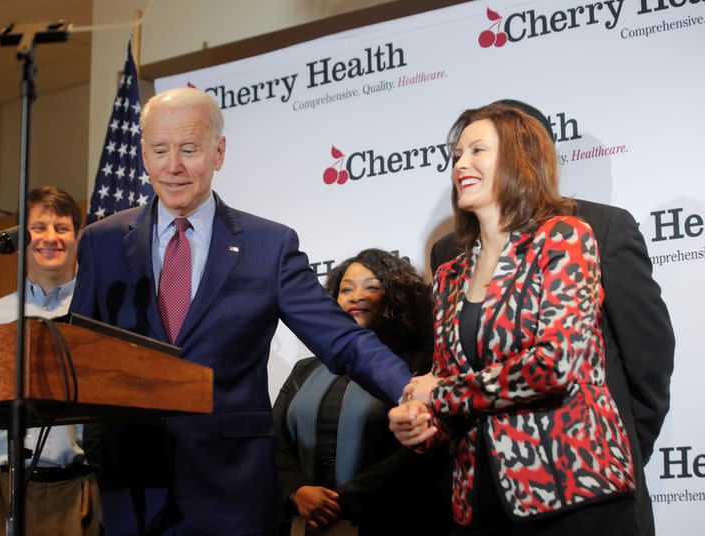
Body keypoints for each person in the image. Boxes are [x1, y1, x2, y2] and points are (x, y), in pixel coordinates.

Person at [69, 88, 412, 535]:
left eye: (189, 149)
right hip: (131, 493)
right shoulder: (102, 242)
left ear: (219, 152)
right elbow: (81, 354)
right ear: (143, 156)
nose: (173, 166)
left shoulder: (268, 245)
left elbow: (341, 338)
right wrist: (100, 447)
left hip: (232, 493)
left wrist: (408, 388)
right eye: (160, 150)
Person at [429, 99, 674, 536]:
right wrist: (421, 415)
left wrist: (614, 445)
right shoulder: (449, 263)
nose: (460, 164)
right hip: (478, 499)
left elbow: (646, 358)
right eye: (457, 155)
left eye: (477, 150)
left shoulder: (584, 231)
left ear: (522, 156)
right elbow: (448, 376)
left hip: (577, 490)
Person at [0, 186, 100, 536]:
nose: (50, 238)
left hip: (77, 491)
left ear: (78, 236)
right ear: (23, 236)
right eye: (38, 227)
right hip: (0, 490)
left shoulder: (98, 316)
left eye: (61, 227)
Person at [273, 249, 434, 535]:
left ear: (399, 297)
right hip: (305, 521)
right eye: (345, 289)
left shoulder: (419, 367)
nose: (355, 296)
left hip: (389, 520)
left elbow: (420, 451)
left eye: (371, 287)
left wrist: (340, 502)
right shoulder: (304, 370)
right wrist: (297, 491)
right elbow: (275, 441)